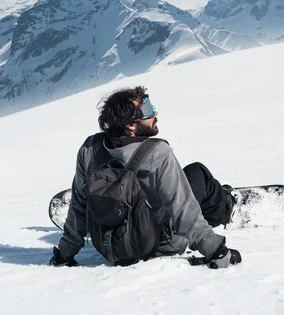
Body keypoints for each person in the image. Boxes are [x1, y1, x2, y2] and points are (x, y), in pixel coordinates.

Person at [49, 86, 242, 269]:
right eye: (148, 110)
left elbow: (79, 207)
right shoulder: (158, 153)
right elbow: (183, 208)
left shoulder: (89, 149)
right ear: (130, 125)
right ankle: (226, 205)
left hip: (111, 249)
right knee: (197, 173)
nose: (155, 113)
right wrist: (215, 250)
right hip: (159, 246)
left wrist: (65, 253)